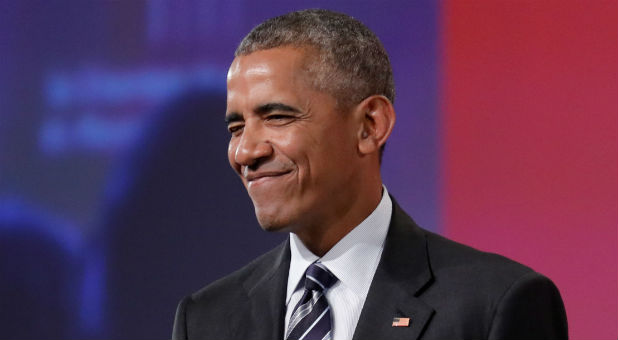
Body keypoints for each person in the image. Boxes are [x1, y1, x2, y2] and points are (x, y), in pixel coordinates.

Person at [172, 9, 567, 340]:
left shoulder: (495, 304)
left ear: (369, 126)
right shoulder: (206, 319)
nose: (246, 152)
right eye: (236, 128)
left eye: (277, 117)